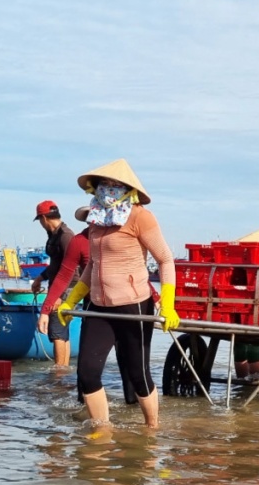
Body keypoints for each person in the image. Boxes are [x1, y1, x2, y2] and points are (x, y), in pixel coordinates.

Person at [57, 159, 178, 428]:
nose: (107, 189)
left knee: (137, 373)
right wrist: (72, 300)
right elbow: (93, 265)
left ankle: (152, 429)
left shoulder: (140, 216)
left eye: (114, 185)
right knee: (87, 372)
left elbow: (165, 260)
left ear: (127, 189)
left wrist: (167, 305)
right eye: (102, 185)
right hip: (99, 306)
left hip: (132, 305)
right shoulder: (97, 220)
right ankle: (101, 433)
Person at [38, 205, 138, 405]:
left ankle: (133, 407)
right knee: (87, 365)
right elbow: (64, 273)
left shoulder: (117, 240)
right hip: (93, 304)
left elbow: (134, 270)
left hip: (124, 304)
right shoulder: (79, 241)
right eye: (92, 218)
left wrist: (157, 298)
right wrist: (46, 310)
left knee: (128, 361)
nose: (97, 221)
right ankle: (83, 408)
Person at [31, 200, 76, 367]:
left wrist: (58, 296)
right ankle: (63, 372)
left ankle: (59, 376)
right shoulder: (54, 235)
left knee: (57, 331)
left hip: (67, 288)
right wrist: (40, 278)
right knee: (62, 332)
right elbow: (55, 265)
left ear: (43, 218)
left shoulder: (66, 236)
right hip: (59, 286)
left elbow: (70, 269)